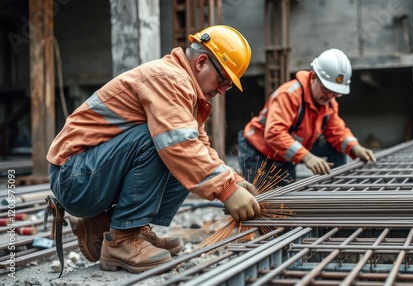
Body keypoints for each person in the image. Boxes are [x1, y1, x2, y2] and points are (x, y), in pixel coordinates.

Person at [46, 25, 260, 273]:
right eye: (223, 80)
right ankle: (123, 239)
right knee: (165, 142)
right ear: (201, 62)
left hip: (90, 173)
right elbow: (179, 145)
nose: (223, 90)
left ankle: (126, 227)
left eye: (228, 86)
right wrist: (226, 191)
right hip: (73, 178)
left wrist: (232, 180)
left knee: (186, 157)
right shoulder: (169, 78)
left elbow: (199, 148)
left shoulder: (186, 90)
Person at [238, 48, 376, 186]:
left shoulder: (328, 103)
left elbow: (337, 131)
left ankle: (334, 189)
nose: (330, 96)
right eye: (326, 89)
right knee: (264, 201)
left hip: (285, 151)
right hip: (258, 150)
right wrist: (307, 157)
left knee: (336, 148)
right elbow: (275, 133)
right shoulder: (289, 95)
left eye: (336, 93)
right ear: (314, 77)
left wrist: (355, 147)